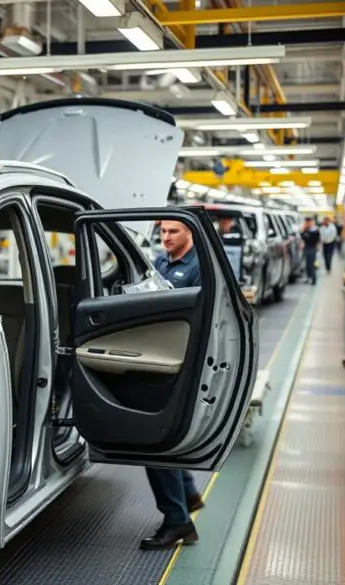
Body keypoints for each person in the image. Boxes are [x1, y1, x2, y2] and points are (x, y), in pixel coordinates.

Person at [142, 219, 205, 550]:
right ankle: (188, 492)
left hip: (181, 361)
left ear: (189, 232)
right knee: (163, 437)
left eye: (173, 232)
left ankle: (178, 521)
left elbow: (198, 318)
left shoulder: (198, 267)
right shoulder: (160, 261)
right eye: (163, 231)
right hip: (160, 355)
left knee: (154, 440)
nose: (166, 237)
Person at [300, 217, 321, 285]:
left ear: (311, 223)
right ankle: (309, 277)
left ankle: (314, 279)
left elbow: (318, 240)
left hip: (312, 249)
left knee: (312, 265)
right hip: (306, 249)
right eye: (306, 222)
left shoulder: (315, 230)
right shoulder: (304, 230)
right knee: (307, 265)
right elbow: (302, 238)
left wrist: (318, 246)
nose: (306, 224)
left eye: (308, 222)